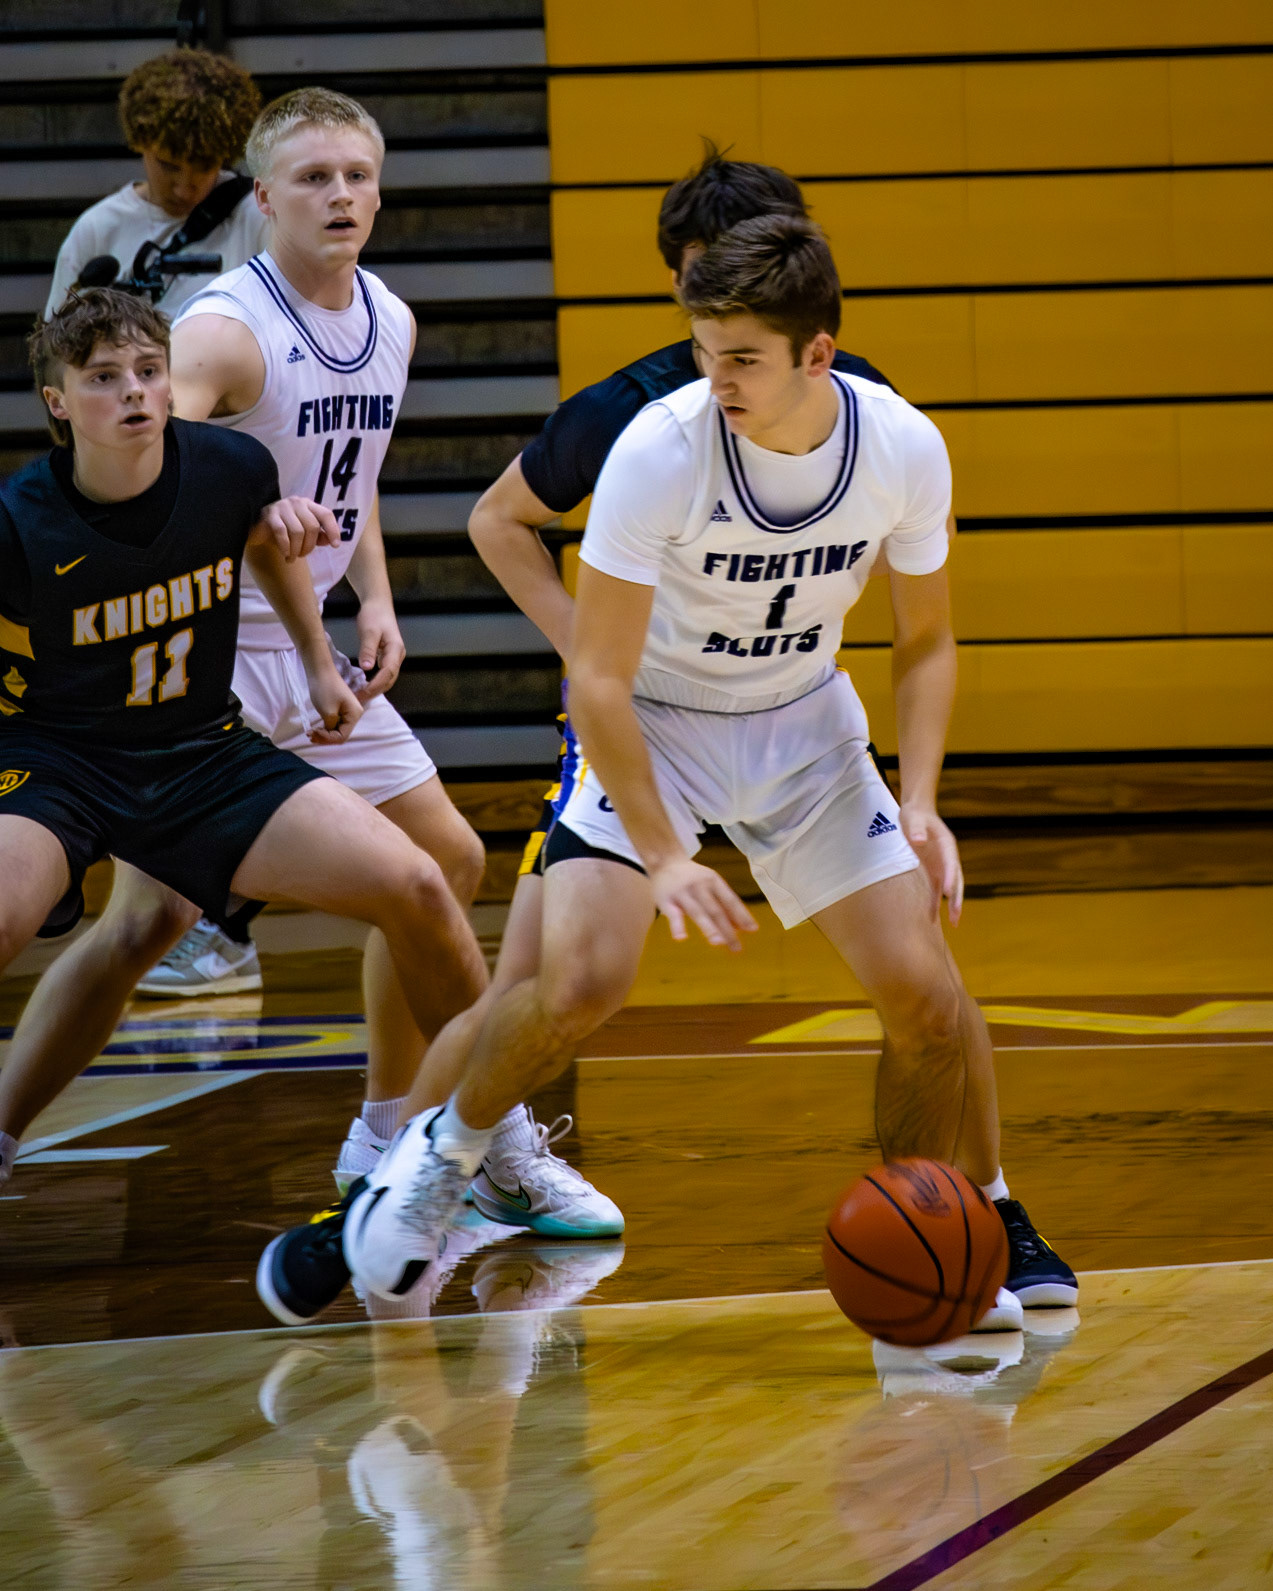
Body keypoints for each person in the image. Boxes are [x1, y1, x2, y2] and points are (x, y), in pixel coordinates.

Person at [259, 214, 1077, 1328]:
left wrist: (923, 801)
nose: (715, 374)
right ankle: (439, 1162)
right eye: (705, 348)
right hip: (657, 720)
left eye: (741, 356)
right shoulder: (657, 446)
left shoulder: (900, 446)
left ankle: (940, 1233)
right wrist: (662, 850)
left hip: (805, 728)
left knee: (927, 1002)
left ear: (816, 354)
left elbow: (925, 639)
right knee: (582, 980)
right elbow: (596, 681)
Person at [0, 87, 619, 1244]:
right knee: (148, 924)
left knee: (441, 856)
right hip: (205, 644)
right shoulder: (227, 330)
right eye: (312, 178)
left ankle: (395, 1131)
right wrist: (239, 533)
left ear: (380, 188)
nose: (339, 195)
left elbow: (354, 467)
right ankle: (8, 1128)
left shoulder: (388, 313)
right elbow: (150, 463)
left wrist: (372, 596)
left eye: (355, 175)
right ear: (264, 197)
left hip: (313, 632)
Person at [0, 288, 490, 1203]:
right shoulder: (20, 521)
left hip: (197, 749)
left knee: (424, 879)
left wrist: (317, 661)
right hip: (63, 762)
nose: (136, 393)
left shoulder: (229, 465)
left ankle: (489, 1147)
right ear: (58, 402)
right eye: (104, 379)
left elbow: (267, 543)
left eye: (148, 371)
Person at [46, 49, 266, 320]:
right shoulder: (97, 229)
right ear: (139, 141)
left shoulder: (259, 217)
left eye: (205, 166)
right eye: (169, 166)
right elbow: (55, 350)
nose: (185, 188)